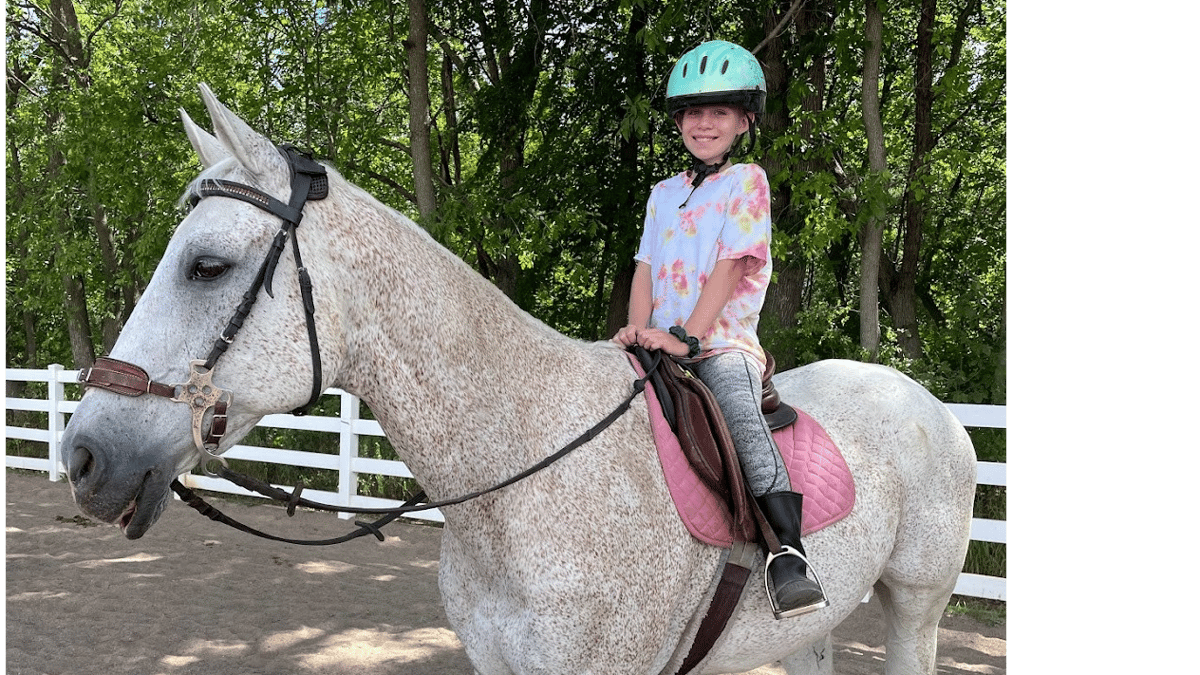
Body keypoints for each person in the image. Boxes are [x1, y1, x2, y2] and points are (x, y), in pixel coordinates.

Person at [612, 40, 827, 618]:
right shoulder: (663, 194)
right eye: (693, 113)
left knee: (735, 404)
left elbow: (732, 265)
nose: (703, 124)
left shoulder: (746, 181)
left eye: (719, 112)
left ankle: (788, 554)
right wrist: (636, 328)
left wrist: (688, 336)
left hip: (721, 342)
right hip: (658, 342)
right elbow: (645, 267)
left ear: (744, 121)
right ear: (678, 121)